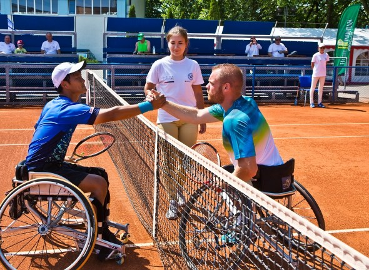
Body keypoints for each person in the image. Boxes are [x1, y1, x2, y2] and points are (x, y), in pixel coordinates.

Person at [24, 61, 165, 259]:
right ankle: (99, 239)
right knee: (98, 183)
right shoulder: (66, 109)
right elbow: (113, 114)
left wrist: (56, 155)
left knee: (101, 174)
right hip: (44, 169)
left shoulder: (53, 105)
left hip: (43, 165)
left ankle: (101, 224)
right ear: (64, 84)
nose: (83, 79)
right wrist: (149, 106)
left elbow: (36, 127)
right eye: (77, 77)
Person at [150, 63, 283, 183]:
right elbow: (196, 115)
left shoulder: (234, 120)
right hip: (278, 173)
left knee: (221, 190)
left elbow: (249, 169)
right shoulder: (244, 103)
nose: (206, 86)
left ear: (226, 87)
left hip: (262, 181)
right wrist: (163, 104)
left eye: (211, 83)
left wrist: (223, 185)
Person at [144, 25, 206, 220]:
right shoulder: (159, 65)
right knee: (168, 163)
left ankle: (178, 191)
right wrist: (150, 95)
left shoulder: (193, 65)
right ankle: (173, 199)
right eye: (173, 43)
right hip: (166, 118)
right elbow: (148, 88)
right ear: (168, 44)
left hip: (189, 118)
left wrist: (202, 116)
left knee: (185, 161)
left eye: (180, 43)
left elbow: (198, 92)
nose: (176, 46)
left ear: (186, 44)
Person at [309, 43, 329, 108]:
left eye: (323, 48)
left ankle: (319, 102)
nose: (322, 49)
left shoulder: (326, 55)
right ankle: (311, 102)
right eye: (321, 48)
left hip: (323, 74)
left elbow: (326, 62)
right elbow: (312, 64)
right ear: (318, 48)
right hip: (316, 74)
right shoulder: (315, 55)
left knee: (321, 88)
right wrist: (315, 70)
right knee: (313, 88)